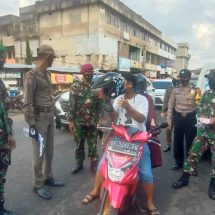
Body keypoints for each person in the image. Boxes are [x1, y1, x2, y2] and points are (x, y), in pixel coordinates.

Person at [82, 73, 160, 215]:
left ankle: (149, 202)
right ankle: (95, 191)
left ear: (130, 84)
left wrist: (128, 107)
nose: (121, 85)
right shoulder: (118, 98)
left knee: (146, 173)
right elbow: (115, 118)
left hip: (137, 139)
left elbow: (141, 119)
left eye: (124, 82)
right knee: (102, 165)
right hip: (119, 138)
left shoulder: (142, 99)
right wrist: (108, 106)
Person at [23, 44, 64, 200]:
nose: (53, 61)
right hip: (39, 119)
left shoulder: (46, 74)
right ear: (47, 57)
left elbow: (48, 96)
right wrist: (31, 124)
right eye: (52, 58)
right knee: (39, 154)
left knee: (49, 151)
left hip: (49, 117)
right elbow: (27, 103)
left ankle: (48, 177)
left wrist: (57, 115)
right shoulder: (31, 76)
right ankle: (38, 184)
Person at [172, 69, 215, 200]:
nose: (209, 81)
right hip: (203, 132)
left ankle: (213, 185)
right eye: (209, 79)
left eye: (211, 79)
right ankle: (184, 179)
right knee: (192, 154)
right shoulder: (207, 94)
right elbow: (200, 108)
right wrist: (202, 117)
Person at [67, 64, 102, 174]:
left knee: (93, 144)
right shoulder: (75, 87)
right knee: (79, 144)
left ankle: (94, 165)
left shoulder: (96, 87)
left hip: (92, 121)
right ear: (83, 73)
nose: (91, 74)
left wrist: (100, 119)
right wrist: (71, 121)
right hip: (79, 122)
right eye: (89, 72)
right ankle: (79, 164)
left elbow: (99, 104)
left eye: (92, 72)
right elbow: (71, 104)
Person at [167, 69, 201, 171]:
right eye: (181, 78)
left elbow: (200, 106)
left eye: (185, 78)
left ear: (189, 78)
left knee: (191, 142)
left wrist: (200, 122)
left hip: (191, 118)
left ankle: (190, 164)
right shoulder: (175, 90)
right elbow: (170, 106)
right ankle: (178, 163)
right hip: (178, 118)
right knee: (177, 141)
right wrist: (169, 121)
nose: (183, 80)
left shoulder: (196, 90)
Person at [0, 45, 16, 215]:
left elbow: (5, 112)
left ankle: (1, 206)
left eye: (3, 56)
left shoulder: (0, 83)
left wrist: (10, 133)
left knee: (1, 174)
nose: (2, 60)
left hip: (3, 138)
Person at [160, 75, 180, 152]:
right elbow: (165, 100)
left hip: (179, 112)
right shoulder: (169, 90)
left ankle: (178, 145)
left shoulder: (181, 90)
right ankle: (168, 144)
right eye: (175, 81)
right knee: (168, 129)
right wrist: (163, 111)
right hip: (171, 112)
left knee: (178, 129)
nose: (177, 83)